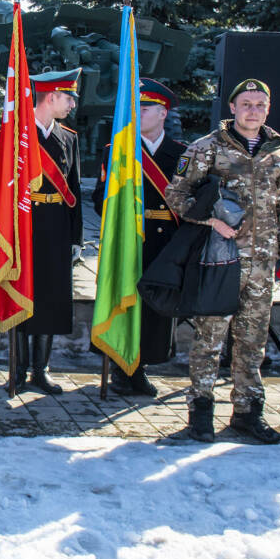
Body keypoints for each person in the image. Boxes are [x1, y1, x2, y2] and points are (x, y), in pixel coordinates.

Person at [165, 78, 280, 444]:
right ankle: (200, 414)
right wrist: (211, 220)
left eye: (260, 104)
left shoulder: (278, 154)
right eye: (246, 103)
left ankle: (246, 413)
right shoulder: (206, 148)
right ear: (233, 108)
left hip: (262, 263)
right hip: (219, 260)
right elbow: (175, 193)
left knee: (253, 342)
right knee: (210, 339)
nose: (252, 110)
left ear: (267, 110)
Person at [90, 78, 185, 396]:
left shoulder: (182, 155)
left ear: (163, 113)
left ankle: (142, 366)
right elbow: (99, 199)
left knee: (155, 309)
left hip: (165, 244)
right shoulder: (116, 151)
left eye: (145, 109)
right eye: (135, 108)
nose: (138, 114)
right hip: (129, 240)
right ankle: (121, 368)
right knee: (124, 302)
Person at [14, 68, 83, 395]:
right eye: (68, 97)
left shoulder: (70, 138)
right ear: (51, 97)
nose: (72, 104)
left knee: (51, 299)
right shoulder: (15, 135)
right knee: (20, 294)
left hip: (56, 228)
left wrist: (75, 237)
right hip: (23, 227)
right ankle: (17, 368)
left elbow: (75, 192)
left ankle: (41, 370)